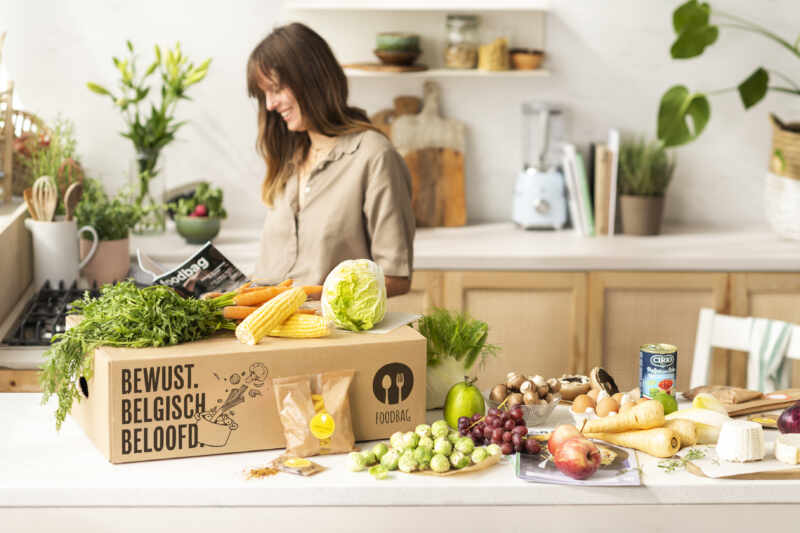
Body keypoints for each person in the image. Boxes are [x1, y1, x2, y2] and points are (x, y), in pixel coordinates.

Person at [246, 23, 415, 297]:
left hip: (329, 324)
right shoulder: (288, 158)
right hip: (268, 324)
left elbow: (396, 279)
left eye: (276, 89)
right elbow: (273, 276)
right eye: (264, 94)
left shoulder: (373, 155)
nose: (270, 105)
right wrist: (234, 293)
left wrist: (304, 297)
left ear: (311, 79)